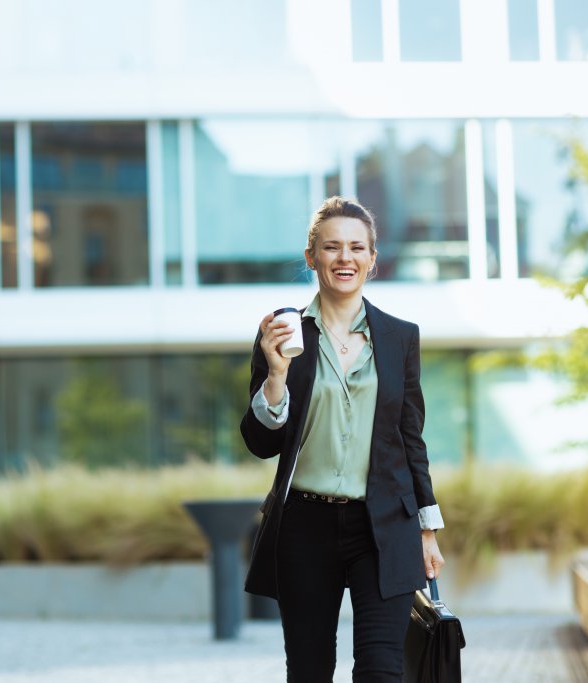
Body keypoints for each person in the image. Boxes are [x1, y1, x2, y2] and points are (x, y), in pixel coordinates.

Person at [241, 196, 446, 682]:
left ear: (373, 259)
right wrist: (275, 376)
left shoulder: (400, 337)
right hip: (304, 525)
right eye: (331, 247)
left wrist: (427, 528)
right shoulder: (282, 331)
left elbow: (410, 438)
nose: (344, 258)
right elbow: (260, 441)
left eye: (357, 247)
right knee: (310, 670)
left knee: (382, 670)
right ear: (311, 256)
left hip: (384, 525)